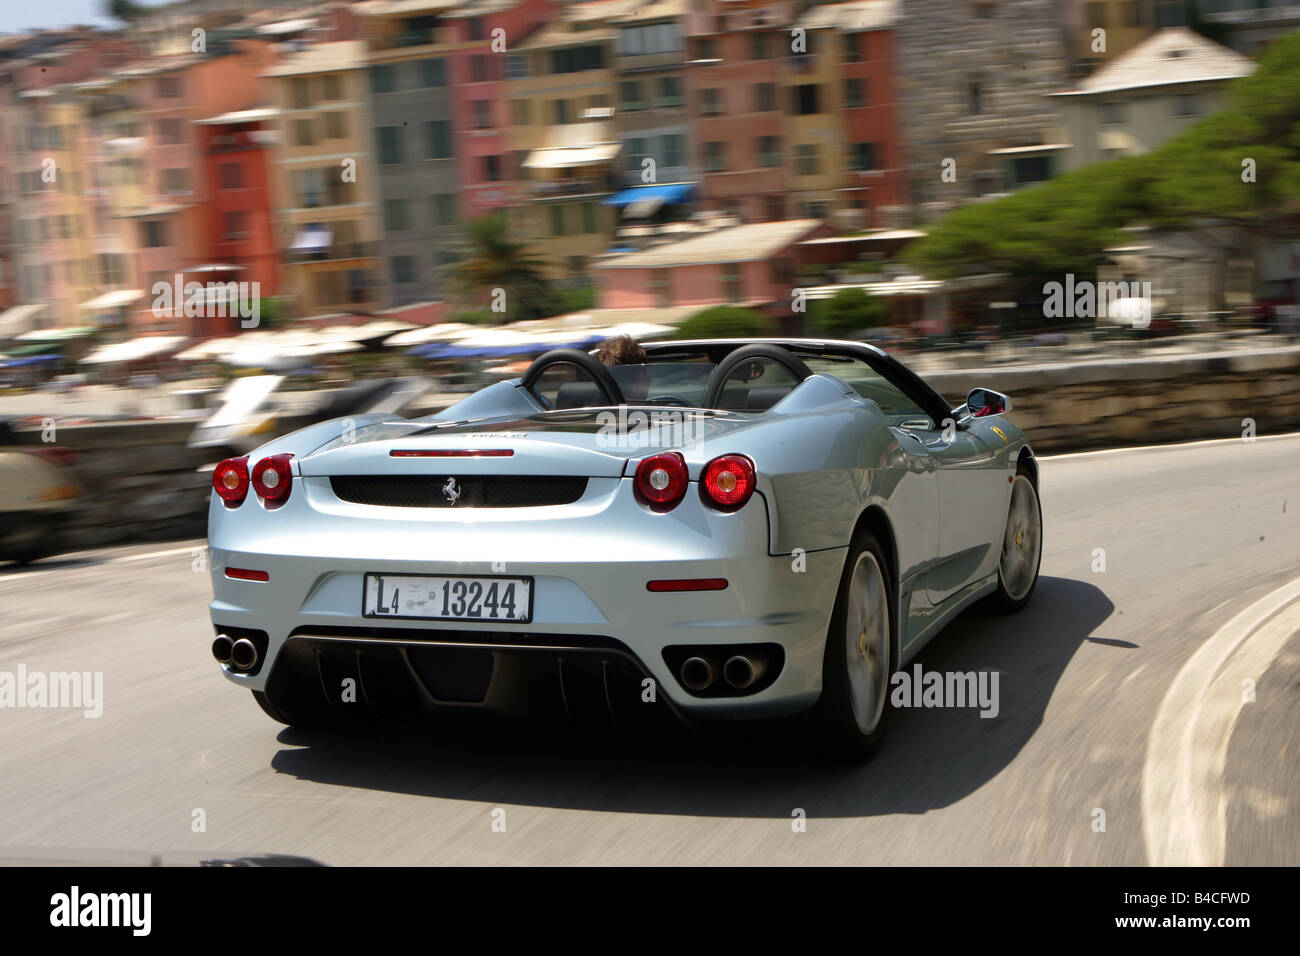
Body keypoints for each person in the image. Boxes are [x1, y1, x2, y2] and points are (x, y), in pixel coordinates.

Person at [593, 334, 649, 401]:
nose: (649, 378)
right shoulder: (655, 410)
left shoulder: (588, 409)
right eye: (646, 371)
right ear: (641, 377)